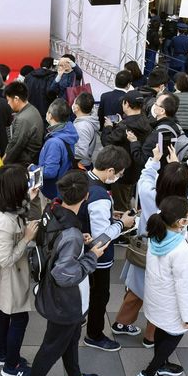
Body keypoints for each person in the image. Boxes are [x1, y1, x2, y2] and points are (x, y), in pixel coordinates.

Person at [112, 145, 188, 350]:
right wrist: (180, 165)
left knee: (136, 291)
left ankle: (121, 322)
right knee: (160, 298)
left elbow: (145, 177)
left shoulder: (149, 194)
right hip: (171, 257)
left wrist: (156, 160)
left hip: (145, 253)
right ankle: (151, 337)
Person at [28, 171, 107, 376]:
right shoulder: (70, 232)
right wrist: (92, 256)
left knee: (71, 339)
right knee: (51, 348)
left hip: (51, 291)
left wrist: (79, 239)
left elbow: (53, 243)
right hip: (65, 300)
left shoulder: (52, 209)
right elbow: (64, 275)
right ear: (86, 197)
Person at [0, 165, 38, 376]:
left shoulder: (0, 201)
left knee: (3, 311)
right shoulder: (5, 224)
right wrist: (26, 238)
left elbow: (17, 209)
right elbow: (5, 260)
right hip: (7, 274)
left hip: (3, 271)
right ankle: (11, 365)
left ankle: (1, 353)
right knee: (19, 317)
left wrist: (29, 198)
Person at [79, 146, 135, 352]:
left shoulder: (84, 178)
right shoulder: (100, 195)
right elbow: (102, 237)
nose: (119, 177)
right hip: (98, 257)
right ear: (110, 170)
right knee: (100, 295)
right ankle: (94, 335)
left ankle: (81, 319)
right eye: (119, 173)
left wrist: (113, 215)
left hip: (80, 249)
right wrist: (123, 224)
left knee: (86, 290)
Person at [135, 196, 188, 376]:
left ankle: (162, 363)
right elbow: (183, 287)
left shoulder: (157, 234)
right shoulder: (181, 250)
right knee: (173, 335)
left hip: (156, 297)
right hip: (172, 304)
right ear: (180, 221)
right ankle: (149, 373)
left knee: (161, 329)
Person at [101, 90, 152, 211]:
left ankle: (126, 226)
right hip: (135, 170)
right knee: (127, 198)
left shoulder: (125, 126)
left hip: (122, 171)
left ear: (127, 104)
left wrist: (108, 127)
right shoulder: (145, 121)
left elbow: (107, 142)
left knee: (121, 207)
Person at [38, 98, 78, 199]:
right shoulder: (68, 131)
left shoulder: (54, 143)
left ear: (50, 115)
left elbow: (50, 172)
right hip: (62, 185)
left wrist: (33, 168)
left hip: (52, 191)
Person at [134, 92, 183, 168]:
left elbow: (142, 159)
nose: (154, 105)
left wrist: (134, 142)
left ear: (162, 111)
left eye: (156, 104)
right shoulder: (176, 126)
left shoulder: (157, 134)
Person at [3, 81, 43, 166]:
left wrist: (4, 162)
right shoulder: (32, 109)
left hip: (24, 162)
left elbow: (16, 145)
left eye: (8, 100)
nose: (8, 103)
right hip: (33, 158)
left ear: (16, 99)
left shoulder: (23, 119)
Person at [72, 92, 99, 169]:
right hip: (85, 162)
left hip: (81, 165)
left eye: (74, 102)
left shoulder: (82, 126)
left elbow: (80, 152)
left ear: (76, 108)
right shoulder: (88, 120)